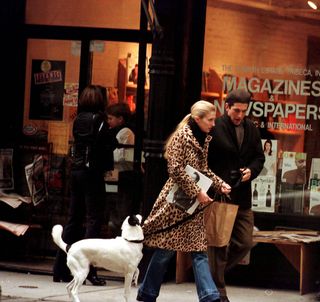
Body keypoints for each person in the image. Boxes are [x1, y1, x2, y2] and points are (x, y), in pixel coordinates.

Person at [137, 100, 231, 302]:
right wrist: (198, 192)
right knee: (165, 252)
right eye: (210, 120)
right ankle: (147, 293)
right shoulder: (182, 137)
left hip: (193, 205)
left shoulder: (203, 138)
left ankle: (210, 296)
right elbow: (175, 169)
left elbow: (203, 170)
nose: (213, 124)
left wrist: (219, 184)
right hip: (177, 203)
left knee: (199, 250)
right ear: (198, 119)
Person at [53, 85, 116, 285]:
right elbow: (107, 144)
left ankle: (60, 268)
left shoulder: (78, 119)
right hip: (92, 173)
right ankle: (88, 270)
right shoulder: (100, 121)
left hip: (77, 171)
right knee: (93, 220)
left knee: (73, 219)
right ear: (100, 101)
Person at [207, 89, 265, 302]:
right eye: (236, 110)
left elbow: (259, 158)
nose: (239, 115)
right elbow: (205, 161)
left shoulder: (251, 128)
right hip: (221, 195)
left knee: (245, 243)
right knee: (219, 247)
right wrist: (216, 183)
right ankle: (218, 293)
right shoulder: (216, 127)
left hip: (243, 197)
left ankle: (210, 274)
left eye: (244, 111)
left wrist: (252, 170)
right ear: (227, 106)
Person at [106, 103, 135, 232]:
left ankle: (121, 227)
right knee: (116, 201)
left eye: (111, 118)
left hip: (125, 173)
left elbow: (123, 154)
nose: (109, 121)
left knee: (122, 202)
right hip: (117, 172)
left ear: (120, 119)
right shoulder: (116, 131)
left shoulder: (126, 132)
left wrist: (105, 154)